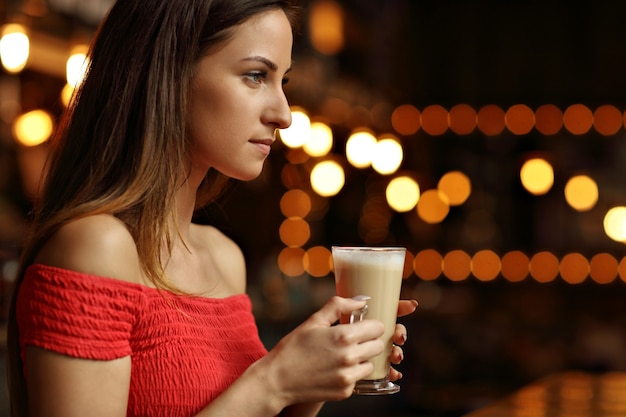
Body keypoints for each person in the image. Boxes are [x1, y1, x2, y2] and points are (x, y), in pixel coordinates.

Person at [6, 0, 418, 416]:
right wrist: (272, 382)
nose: (284, 114)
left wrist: (311, 381)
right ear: (168, 74)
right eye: (256, 76)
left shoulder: (224, 258)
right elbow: (257, 395)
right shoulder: (96, 247)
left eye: (283, 82)